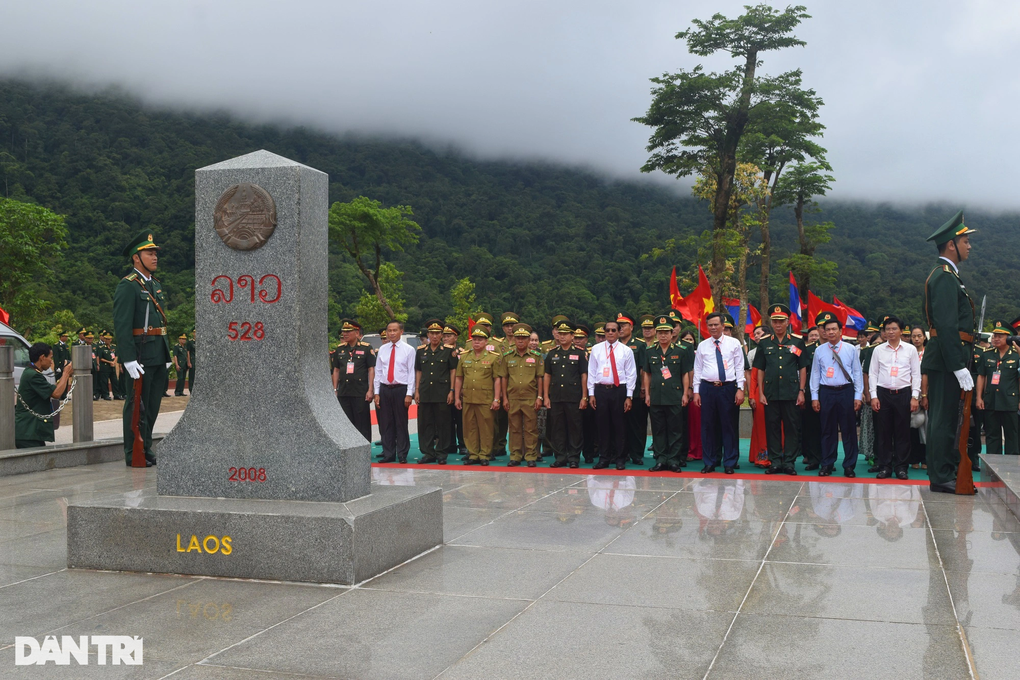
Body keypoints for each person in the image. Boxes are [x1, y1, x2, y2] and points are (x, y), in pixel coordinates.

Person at [921, 210, 978, 494]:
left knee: (947, 418)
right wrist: (957, 364)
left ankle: (944, 471)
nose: (969, 246)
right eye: (965, 241)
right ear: (951, 245)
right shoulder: (944, 277)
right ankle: (941, 474)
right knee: (943, 419)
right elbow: (945, 325)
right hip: (946, 360)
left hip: (947, 358)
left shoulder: (950, 276)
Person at [113, 231, 171, 467]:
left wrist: (167, 353)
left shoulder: (154, 284)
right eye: (149, 253)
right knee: (137, 405)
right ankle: (133, 452)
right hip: (140, 355)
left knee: (153, 405)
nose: (155, 257)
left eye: (155, 253)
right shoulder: (128, 286)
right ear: (136, 258)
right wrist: (127, 358)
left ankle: (145, 447)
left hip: (158, 354)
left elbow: (161, 322)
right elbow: (122, 324)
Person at [753, 304, 808, 476]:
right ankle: (775, 461)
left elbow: (803, 368)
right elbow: (760, 369)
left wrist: (801, 391)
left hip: (791, 392)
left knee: (792, 428)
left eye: (781, 321)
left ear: (787, 322)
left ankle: (789, 462)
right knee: (772, 428)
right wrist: (761, 392)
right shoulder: (764, 343)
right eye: (775, 321)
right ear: (771, 323)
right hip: (770, 392)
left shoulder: (797, 341)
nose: (778, 325)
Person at [810, 311, 864, 477]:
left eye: (834, 329)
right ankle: (827, 464)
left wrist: (858, 396)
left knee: (849, 430)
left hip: (846, 391)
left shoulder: (850, 349)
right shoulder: (819, 351)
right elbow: (815, 374)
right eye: (828, 330)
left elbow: (857, 372)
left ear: (841, 331)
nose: (831, 332)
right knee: (827, 430)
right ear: (824, 332)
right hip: (826, 392)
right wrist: (814, 397)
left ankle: (849, 466)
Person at [692, 312, 745, 474]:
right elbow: (698, 369)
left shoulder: (734, 343)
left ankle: (730, 462)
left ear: (723, 326)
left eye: (716, 324)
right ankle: (710, 461)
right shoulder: (703, 345)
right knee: (708, 426)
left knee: (729, 425)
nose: (713, 327)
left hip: (728, 388)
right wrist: (696, 391)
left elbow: (739, 367)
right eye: (710, 325)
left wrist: (740, 389)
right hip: (707, 388)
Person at [869, 316, 922, 479]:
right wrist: (873, 396)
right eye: (887, 329)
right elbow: (873, 374)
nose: (890, 332)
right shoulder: (878, 350)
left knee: (903, 432)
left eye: (894, 329)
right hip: (883, 394)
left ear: (901, 331)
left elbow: (916, 374)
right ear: (884, 332)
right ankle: (885, 466)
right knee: (883, 432)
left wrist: (915, 396)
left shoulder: (910, 350)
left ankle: (901, 467)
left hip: (903, 394)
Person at [644, 315, 693, 472]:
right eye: (660, 332)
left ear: (672, 333)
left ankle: (673, 460)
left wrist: (685, 393)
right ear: (656, 334)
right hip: (656, 396)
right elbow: (647, 374)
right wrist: (647, 394)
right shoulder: (650, 351)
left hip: (674, 396)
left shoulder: (681, 351)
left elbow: (685, 374)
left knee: (675, 430)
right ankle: (660, 459)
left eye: (666, 332)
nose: (663, 336)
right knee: (658, 429)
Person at [587, 319, 636, 470]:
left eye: (613, 330)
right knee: (602, 426)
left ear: (619, 332)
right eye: (607, 330)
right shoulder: (596, 349)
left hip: (619, 390)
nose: (610, 333)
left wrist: (629, 396)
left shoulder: (626, 350)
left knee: (619, 425)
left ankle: (620, 458)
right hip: (601, 390)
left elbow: (631, 374)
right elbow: (591, 372)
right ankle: (604, 458)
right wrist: (591, 393)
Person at [455, 325, 504, 465]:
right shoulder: (465, 357)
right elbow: (459, 378)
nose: (477, 342)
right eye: (475, 339)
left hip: (485, 398)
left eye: (480, 339)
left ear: (486, 341)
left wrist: (496, 399)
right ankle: (473, 454)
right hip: (468, 398)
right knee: (469, 427)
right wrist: (457, 397)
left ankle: (484, 454)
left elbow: (497, 379)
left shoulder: (493, 357)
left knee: (486, 428)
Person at [414, 318, 459, 464]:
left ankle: (441, 453)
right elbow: (418, 371)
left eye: (437, 333)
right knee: (425, 423)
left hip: (442, 392)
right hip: (425, 391)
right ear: (428, 335)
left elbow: (453, 371)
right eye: (432, 333)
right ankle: (428, 453)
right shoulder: (421, 351)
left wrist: (452, 390)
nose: (434, 336)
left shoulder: (449, 351)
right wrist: (417, 390)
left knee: (443, 423)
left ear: (441, 335)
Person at [545, 319, 588, 468]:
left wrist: (584, 396)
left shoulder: (579, 353)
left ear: (572, 336)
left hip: (573, 397)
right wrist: (546, 396)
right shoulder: (552, 354)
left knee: (575, 427)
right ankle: (560, 456)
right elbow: (547, 375)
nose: (562, 336)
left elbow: (584, 375)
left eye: (565, 334)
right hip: (556, 396)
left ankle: (574, 457)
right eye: (560, 333)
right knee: (557, 427)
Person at [14, 343, 74, 448]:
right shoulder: (33, 375)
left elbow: (51, 389)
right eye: (50, 357)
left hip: (31, 431)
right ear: (42, 357)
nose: (51, 361)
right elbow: (56, 394)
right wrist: (66, 374)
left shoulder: (32, 372)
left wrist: (63, 377)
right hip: (28, 431)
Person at [373, 320, 416, 463]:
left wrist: (409, 394)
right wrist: (377, 392)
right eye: (389, 331)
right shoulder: (382, 349)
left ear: (401, 332)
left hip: (400, 389)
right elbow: (378, 372)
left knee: (401, 423)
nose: (391, 333)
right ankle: (388, 454)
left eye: (394, 330)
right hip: (385, 389)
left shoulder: (409, 350)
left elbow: (411, 373)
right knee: (386, 423)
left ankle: (402, 454)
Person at [502, 323, 545, 467]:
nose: (520, 341)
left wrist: (540, 397)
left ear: (528, 340)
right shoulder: (507, 356)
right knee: (514, 427)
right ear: (514, 339)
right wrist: (504, 398)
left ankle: (531, 455)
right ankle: (515, 455)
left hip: (530, 398)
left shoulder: (536, 356)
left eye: (524, 338)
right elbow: (504, 378)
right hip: (513, 398)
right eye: (518, 338)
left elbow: (540, 378)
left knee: (531, 428)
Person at [976, 321, 1020, 455]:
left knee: (1012, 436)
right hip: (991, 400)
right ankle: (993, 466)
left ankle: (1011, 466)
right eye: (994, 336)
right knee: (992, 436)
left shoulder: (1016, 354)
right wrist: (979, 397)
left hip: (1010, 401)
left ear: (1009, 338)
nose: (995, 339)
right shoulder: (987, 354)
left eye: (1000, 336)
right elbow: (981, 376)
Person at [331, 319, 376, 442]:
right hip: (344, 391)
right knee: (346, 421)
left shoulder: (366, 348)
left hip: (360, 391)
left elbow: (371, 369)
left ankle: (364, 446)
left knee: (362, 421)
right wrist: (335, 389)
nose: (345, 334)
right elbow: (336, 370)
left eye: (348, 331)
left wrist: (370, 389)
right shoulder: (340, 349)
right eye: (343, 332)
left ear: (356, 333)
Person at [618, 313, 649, 466]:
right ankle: (621, 453)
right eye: (618, 326)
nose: (620, 328)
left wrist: (643, 387)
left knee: (637, 423)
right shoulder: (614, 344)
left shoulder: (639, 345)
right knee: (620, 424)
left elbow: (643, 368)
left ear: (631, 327)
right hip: (618, 390)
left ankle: (636, 454)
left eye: (624, 325)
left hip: (635, 390)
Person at [441, 323, 468, 459]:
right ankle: (450, 444)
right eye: (444, 336)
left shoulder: (462, 353)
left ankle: (463, 444)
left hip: (459, 390)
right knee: (447, 418)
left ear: (456, 338)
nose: (446, 338)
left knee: (460, 418)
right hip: (444, 389)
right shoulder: (440, 351)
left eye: (449, 336)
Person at [746, 325, 770, 468]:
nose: (756, 336)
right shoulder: (754, 353)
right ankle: (761, 455)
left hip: (776, 390)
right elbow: (752, 375)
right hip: (759, 390)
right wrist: (752, 395)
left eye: (758, 333)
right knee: (760, 425)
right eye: (754, 334)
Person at [800, 325, 823, 470]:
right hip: (810, 392)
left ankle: (827, 458)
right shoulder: (807, 350)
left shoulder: (837, 348)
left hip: (829, 392)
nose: (814, 337)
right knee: (811, 427)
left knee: (828, 427)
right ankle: (813, 457)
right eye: (812, 335)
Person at [681, 328, 704, 463]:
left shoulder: (698, 353)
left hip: (697, 390)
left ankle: (699, 451)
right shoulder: (678, 352)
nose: (688, 342)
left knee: (698, 423)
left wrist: (692, 388)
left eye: (690, 340)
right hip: (681, 391)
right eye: (685, 340)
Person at [908, 325, 929, 470]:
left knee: (926, 427)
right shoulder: (907, 352)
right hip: (910, 394)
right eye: (914, 336)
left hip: (927, 394)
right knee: (912, 427)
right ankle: (913, 458)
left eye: (919, 336)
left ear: (924, 337)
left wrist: (924, 395)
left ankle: (925, 459)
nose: (916, 339)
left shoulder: (929, 353)